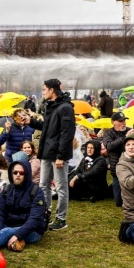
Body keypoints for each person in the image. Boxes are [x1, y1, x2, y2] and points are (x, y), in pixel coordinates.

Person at [25, 78, 75, 231]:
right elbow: (46, 127)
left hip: (57, 155)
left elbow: (67, 133)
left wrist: (60, 156)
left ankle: (61, 218)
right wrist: (30, 121)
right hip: (46, 153)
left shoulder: (65, 108)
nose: (43, 92)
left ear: (52, 90)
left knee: (60, 187)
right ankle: (44, 213)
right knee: (43, 186)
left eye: (44, 89)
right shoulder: (51, 106)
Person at [0, 157, 47, 252]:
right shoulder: (7, 189)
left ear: (27, 174)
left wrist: (17, 235)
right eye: (15, 172)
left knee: (6, 232)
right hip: (9, 224)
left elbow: (35, 219)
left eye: (21, 173)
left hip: (31, 230)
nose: (18, 175)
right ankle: (3, 239)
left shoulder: (37, 192)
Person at [102, 111, 131, 207]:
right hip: (116, 168)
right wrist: (124, 137)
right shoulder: (108, 132)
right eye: (120, 121)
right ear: (113, 122)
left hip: (130, 167)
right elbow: (109, 146)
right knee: (119, 202)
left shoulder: (130, 130)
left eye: (124, 120)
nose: (123, 123)